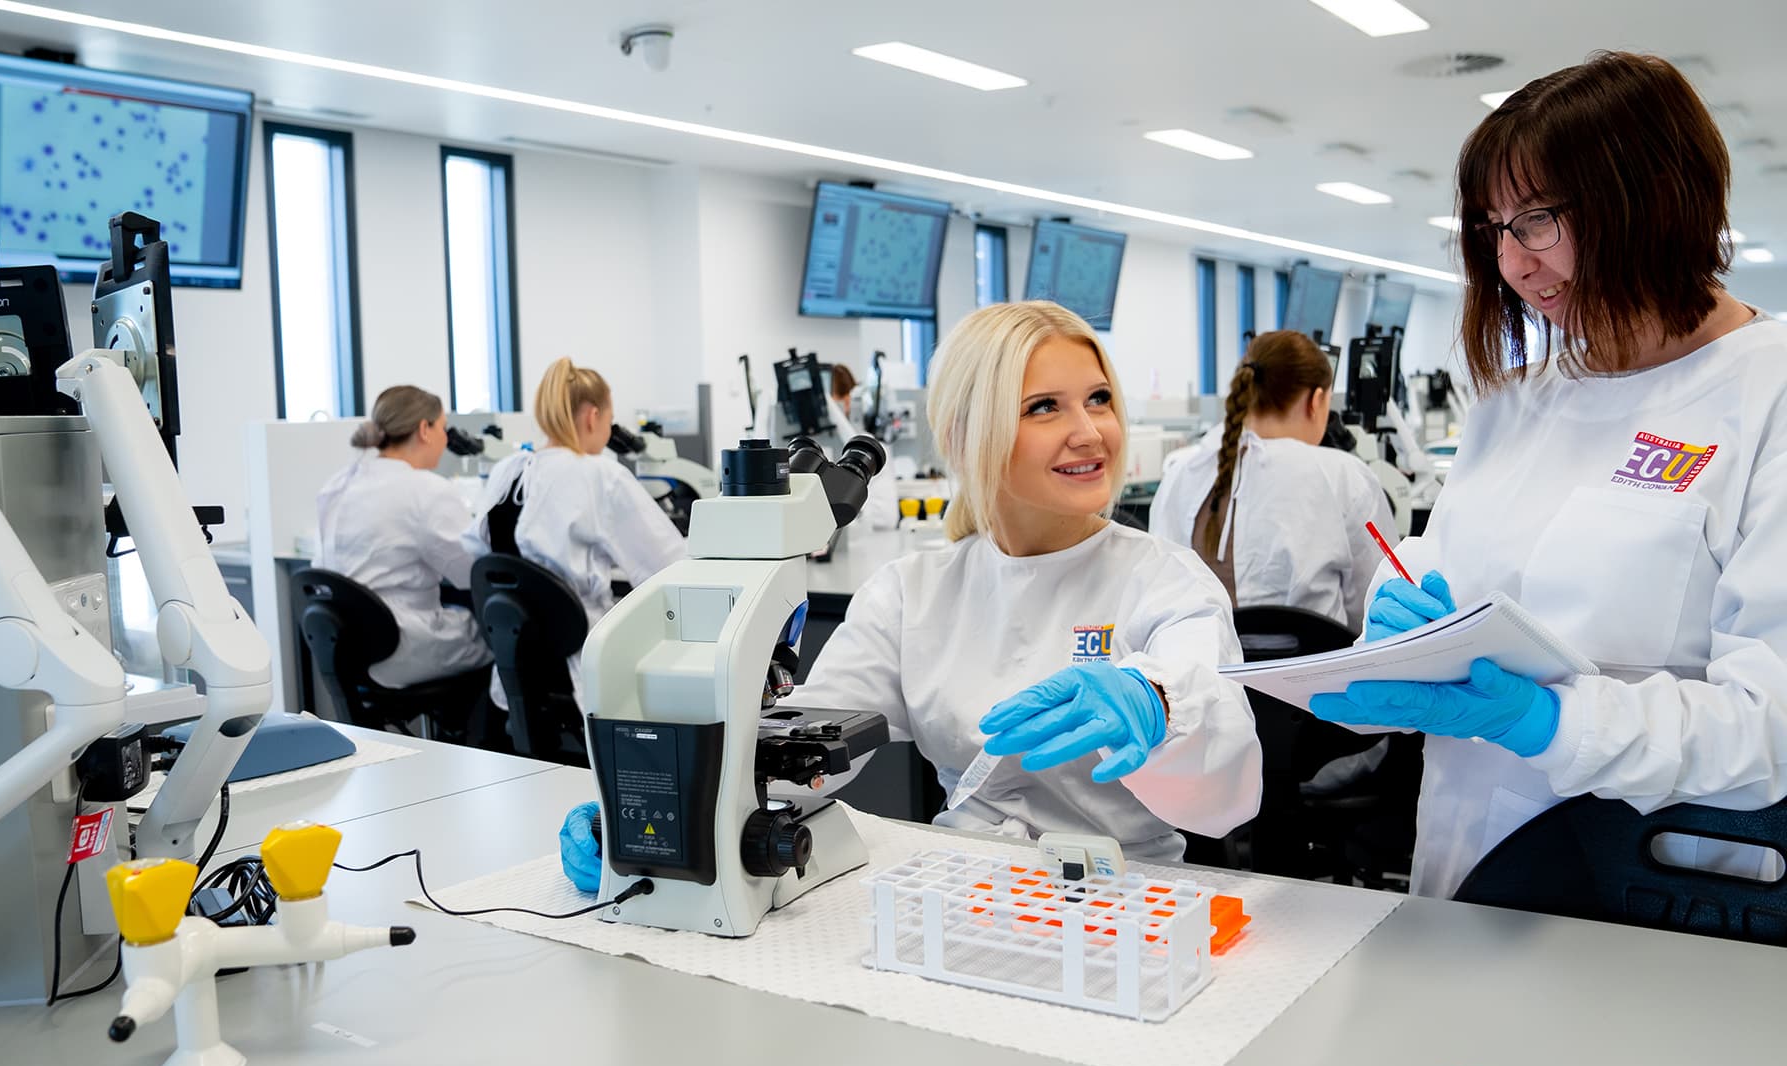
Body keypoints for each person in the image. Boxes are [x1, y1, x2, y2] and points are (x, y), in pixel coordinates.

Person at [558, 301, 1260, 891]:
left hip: (1131, 897)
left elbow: (1229, 789)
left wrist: (1158, 702)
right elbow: (803, 755)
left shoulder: (1165, 580)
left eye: (1099, 399)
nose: (1089, 431)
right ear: (963, 436)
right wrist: (654, 806)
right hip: (967, 889)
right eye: (1044, 407)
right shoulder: (913, 591)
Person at [1308, 52, 1787, 899]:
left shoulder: (1768, 390)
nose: (1514, 262)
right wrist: (1403, 610)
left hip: (1662, 885)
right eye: (1493, 229)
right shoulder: (1516, 401)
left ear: (1653, 196)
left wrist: (1551, 722)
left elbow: (1769, 727)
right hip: (1468, 864)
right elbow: (1449, 558)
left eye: (1535, 219)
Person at [463, 356, 685, 709]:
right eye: (611, 421)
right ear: (593, 416)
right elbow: (672, 568)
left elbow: (477, 555)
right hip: (583, 659)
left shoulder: (506, 472)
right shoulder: (600, 475)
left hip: (518, 660)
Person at [1150, 330, 1398, 630]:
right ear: (1316, 401)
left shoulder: (1181, 472)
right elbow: (1379, 604)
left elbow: (1160, 596)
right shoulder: (1344, 477)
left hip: (1204, 673)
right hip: (1317, 672)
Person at [313, 385, 490, 688]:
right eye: (443, 428)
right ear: (425, 429)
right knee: (502, 638)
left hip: (346, 643)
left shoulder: (338, 484)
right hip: (399, 643)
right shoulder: (426, 490)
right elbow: (470, 574)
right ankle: (466, 736)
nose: (446, 439)